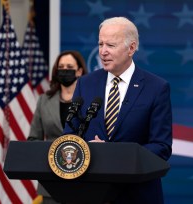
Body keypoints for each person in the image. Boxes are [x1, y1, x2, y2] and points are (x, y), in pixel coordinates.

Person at [63, 17, 173, 204]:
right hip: (91, 193)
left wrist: (113, 154)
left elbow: (161, 146)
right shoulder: (86, 84)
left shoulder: (156, 88)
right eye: (100, 44)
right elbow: (70, 134)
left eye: (111, 45)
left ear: (131, 48)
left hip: (137, 194)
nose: (103, 52)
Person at [27, 50, 88, 203]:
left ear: (79, 71)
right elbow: (33, 139)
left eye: (69, 67)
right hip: (51, 181)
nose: (64, 70)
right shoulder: (44, 100)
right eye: (61, 67)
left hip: (84, 181)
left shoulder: (90, 102)